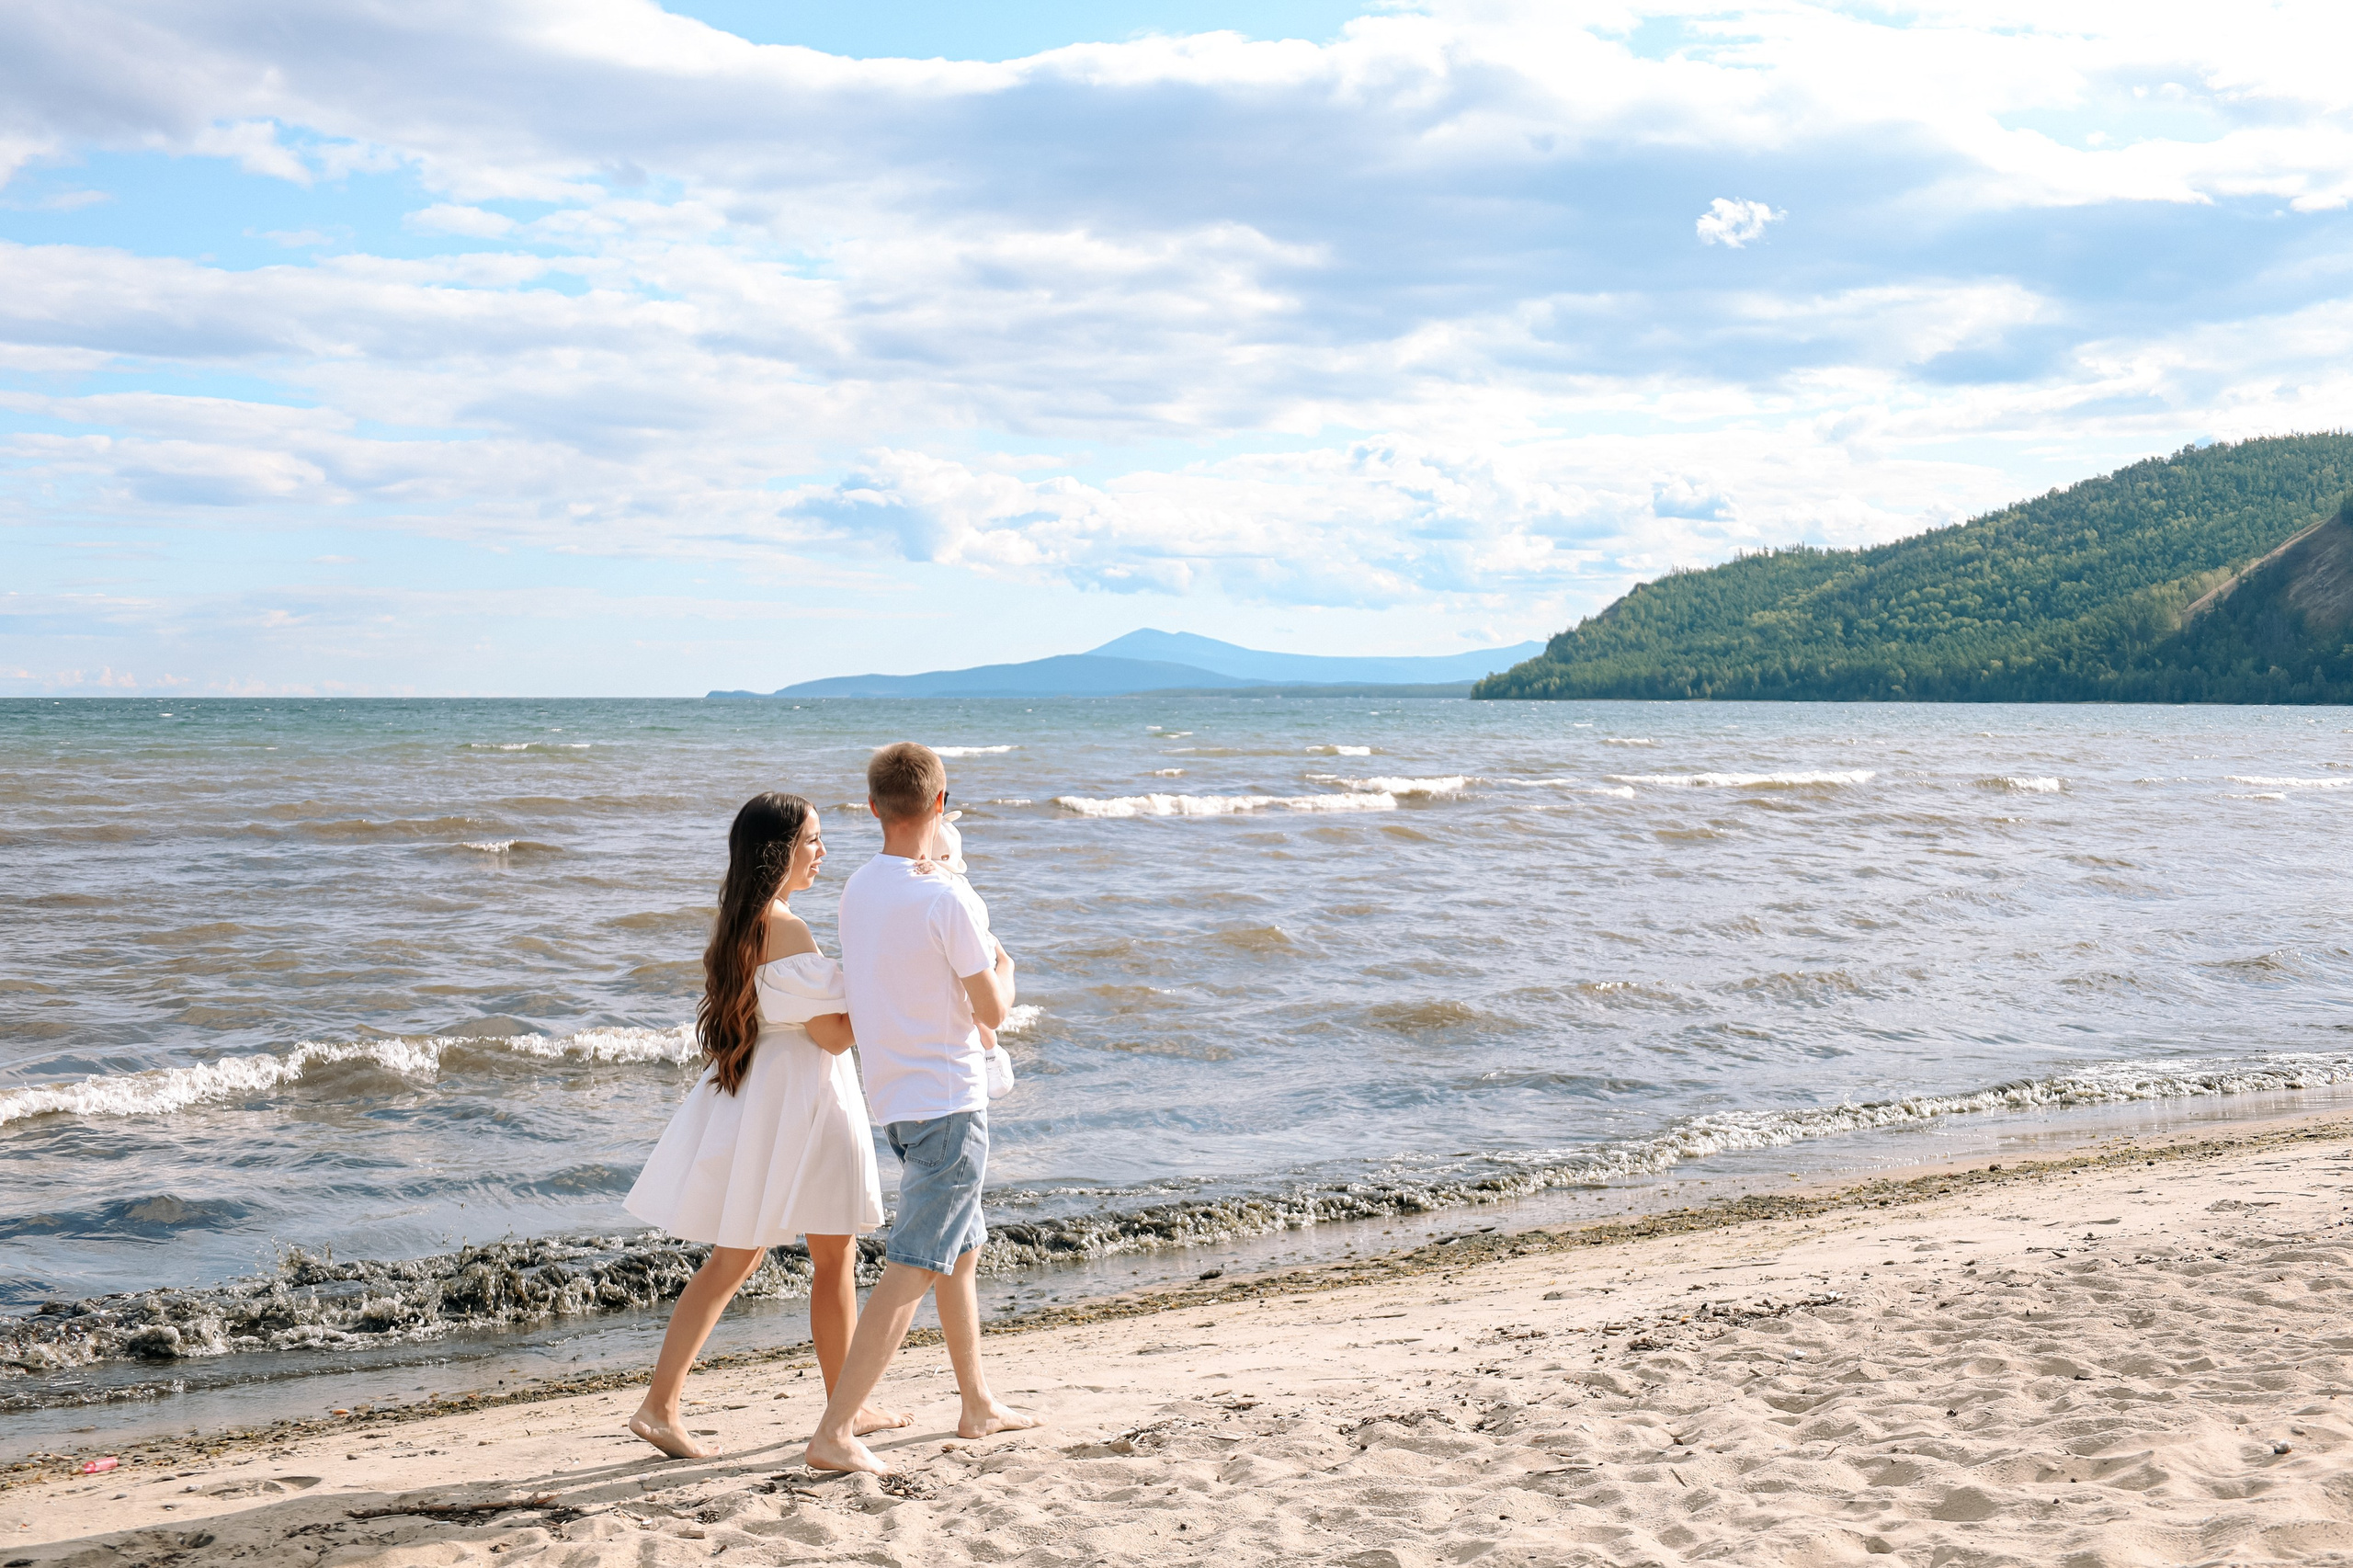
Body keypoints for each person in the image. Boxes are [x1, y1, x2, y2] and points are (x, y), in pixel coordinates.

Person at [620, 792, 908, 1459]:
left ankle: (662, 1404)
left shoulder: (742, 921)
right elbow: (834, 1037)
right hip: (805, 1098)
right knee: (831, 1257)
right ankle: (844, 1409)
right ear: (780, 850)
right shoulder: (790, 929)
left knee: (735, 1256)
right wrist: (881, 979)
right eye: (813, 839)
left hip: (765, 1096)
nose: (823, 851)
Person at [803, 743, 1039, 1475]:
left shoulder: (856, 890)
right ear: (940, 804)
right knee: (916, 1261)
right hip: (948, 1101)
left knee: (958, 1253)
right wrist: (1008, 962)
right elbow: (993, 1005)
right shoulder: (948, 897)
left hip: (896, 1100)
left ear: (873, 808)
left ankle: (977, 1403)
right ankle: (835, 1430)